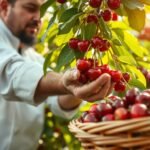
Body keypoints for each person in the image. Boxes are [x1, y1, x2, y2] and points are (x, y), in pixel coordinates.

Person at [0, 0, 113, 149]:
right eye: (30, 8)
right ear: (4, 8)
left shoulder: (35, 59)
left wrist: (80, 82)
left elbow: (59, 104)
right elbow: (12, 72)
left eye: (42, 11)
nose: (38, 18)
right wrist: (63, 83)